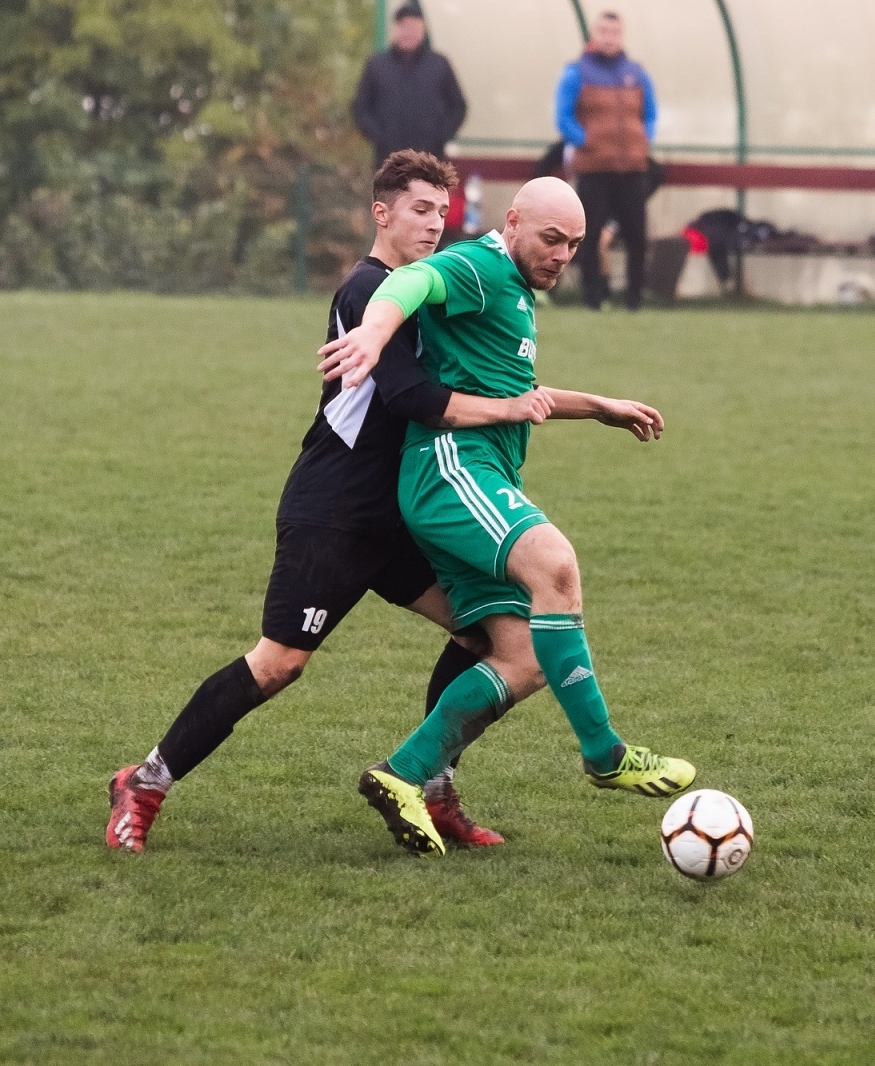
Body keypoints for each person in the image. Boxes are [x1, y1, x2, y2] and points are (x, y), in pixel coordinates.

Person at [106, 151, 555, 853]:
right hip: (336, 508)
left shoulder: (425, 287)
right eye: (419, 210)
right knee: (280, 663)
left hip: (403, 512)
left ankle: (431, 790)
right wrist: (508, 409)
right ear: (382, 213)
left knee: (488, 638)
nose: (434, 225)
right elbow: (412, 398)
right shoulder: (368, 289)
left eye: (442, 212)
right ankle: (145, 780)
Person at [317, 177, 696, 857]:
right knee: (556, 564)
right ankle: (605, 754)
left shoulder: (513, 290)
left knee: (522, 656)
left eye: (575, 245)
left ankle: (401, 774)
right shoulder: (480, 265)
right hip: (451, 468)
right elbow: (406, 287)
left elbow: (518, 391)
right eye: (552, 239)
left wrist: (601, 406)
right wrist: (373, 336)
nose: (563, 255)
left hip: (480, 472)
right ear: (513, 222)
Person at [554, 11, 658, 311]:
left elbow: (650, 113)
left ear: (621, 35)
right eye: (604, 32)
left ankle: (634, 299)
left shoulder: (636, 73)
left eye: (615, 32)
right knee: (590, 233)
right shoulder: (577, 72)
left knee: (637, 236)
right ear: (594, 35)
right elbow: (563, 117)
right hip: (594, 169)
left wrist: (643, 137)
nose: (609, 38)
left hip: (632, 169)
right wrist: (586, 141)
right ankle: (593, 297)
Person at [350, 4, 467, 170]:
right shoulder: (377, 66)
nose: (409, 32)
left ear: (423, 29)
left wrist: (439, 135)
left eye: (414, 27)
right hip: (388, 161)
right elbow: (360, 108)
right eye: (404, 26)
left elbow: (458, 107)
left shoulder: (439, 65)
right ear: (395, 29)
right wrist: (380, 136)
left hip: (430, 160)